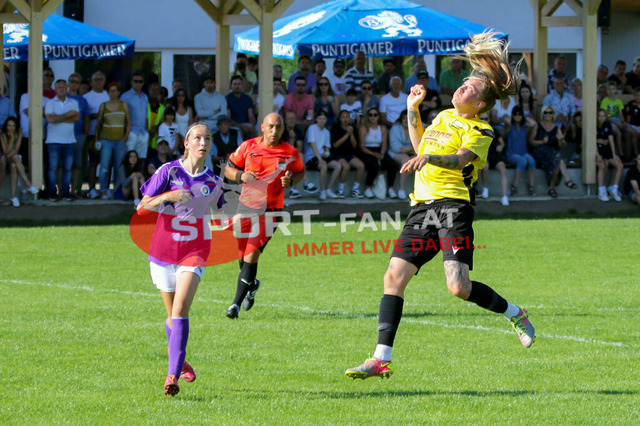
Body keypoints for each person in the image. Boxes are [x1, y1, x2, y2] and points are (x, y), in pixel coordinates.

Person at [345, 32, 535, 380]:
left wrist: (429, 158)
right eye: (463, 84)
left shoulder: (481, 130)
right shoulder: (445, 116)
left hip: (452, 208)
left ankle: (514, 313)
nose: (462, 88)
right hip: (421, 207)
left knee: (459, 288)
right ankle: (380, 359)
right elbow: (420, 145)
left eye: (470, 88)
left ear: (480, 103)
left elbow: (459, 160)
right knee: (393, 276)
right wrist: (412, 109)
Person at [137, 121, 224, 397]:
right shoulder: (168, 171)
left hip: (195, 251)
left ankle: (171, 376)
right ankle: (180, 359)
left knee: (180, 310)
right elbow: (141, 208)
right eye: (197, 138)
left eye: (207, 138)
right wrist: (169, 196)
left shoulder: (214, 182)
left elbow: (220, 217)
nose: (203, 142)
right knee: (172, 318)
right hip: (163, 251)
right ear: (186, 143)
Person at [224, 113, 305, 319]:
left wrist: (291, 181)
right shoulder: (248, 146)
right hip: (245, 208)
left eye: (278, 127)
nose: (274, 131)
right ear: (262, 127)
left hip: (271, 211)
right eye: (270, 126)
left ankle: (234, 306)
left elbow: (300, 172)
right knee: (242, 256)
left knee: (251, 254)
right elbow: (228, 169)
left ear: (283, 129)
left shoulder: (290, 152)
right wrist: (241, 175)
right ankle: (251, 285)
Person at [529, 106, 577, 197]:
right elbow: (530, 141)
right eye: (545, 112)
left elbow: (562, 145)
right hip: (539, 151)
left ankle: (552, 187)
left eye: (550, 112)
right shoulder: (537, 126)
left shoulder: (557, 129)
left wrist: (561, 140)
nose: (548, 114)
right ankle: (566, 180)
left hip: (552, 153)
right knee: (557, 159)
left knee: (557, 162)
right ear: (543, 114)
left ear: (553, 115)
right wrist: (542, 142)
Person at [45, 80, 80, 201]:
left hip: (69, 141)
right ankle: (52, 192)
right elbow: (50, 120)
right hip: (53, 141)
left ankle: (65, 192)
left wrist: (58, 117)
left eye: (63, 87)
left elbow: (76, 117)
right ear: (55, 89)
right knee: (53, 168)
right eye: (59, 87)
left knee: (67, 169)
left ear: (66, 89)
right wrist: (68, 114)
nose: (61, 89)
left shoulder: (74, 102)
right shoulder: (50, 103)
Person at [96, 82, 130, 199]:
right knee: (104, 167)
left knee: (118, 168)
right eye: (110, 90)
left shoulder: (123, 105)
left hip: (120, 141)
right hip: (106, 140)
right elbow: (99, 123)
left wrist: (125, 137)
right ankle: (103, 191)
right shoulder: (103, 105)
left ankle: (115, 191)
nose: (113, 93)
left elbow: (128, 121)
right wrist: (96, 139)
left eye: (115, 90)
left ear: (119, 92)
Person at [358, 106, 398, 199]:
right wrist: (373, 154)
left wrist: (382, 153)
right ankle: (368, 188)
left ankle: (390, 188)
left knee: (392, 165)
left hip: (379, 150)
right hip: (367, 151)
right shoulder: (363, 128)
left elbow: (384, 144)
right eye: (370, 115)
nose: (373, 117)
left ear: (378, 117)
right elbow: (362, 146)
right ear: (368, 116)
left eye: (375, 115)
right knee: (373, 165)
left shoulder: (383, 128)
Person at [0, 117, 39, 206]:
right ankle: (28, 184)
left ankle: (13, 196)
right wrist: (11, 139)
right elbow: (5, 151)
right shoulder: (2, 135)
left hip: (14, 156)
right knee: (14, 159)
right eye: (9, 125)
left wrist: (11, 155)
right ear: (6, 126)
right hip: (4, 157)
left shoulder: (19, 132)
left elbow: (16, 149)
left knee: (13, 165)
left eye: (13, 126)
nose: (11, 128)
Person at [303, 110, 341, 200]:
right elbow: (313, 144)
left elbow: (327, 147)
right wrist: (320, 159)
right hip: (311, 156)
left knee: (338, 166)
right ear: (316, 119)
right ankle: (322, 191)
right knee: (323, 165)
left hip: (321, 156)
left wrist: (327, 153)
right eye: (320, 118)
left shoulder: (327, 132)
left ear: (326, 120)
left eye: (324, 118)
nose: (322, 120)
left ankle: (328, 189)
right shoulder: (312, 128)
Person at [84, 71, 109, 199]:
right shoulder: (87, 97)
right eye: (96, 79)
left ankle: (105, 188)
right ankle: (92, 188)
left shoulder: (108, 95)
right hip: (92, 134)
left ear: (104, 81)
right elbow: (84, 116)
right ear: (91, 82)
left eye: (100, 79)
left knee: (106, 163)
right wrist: (96, 116)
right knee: (93, 162)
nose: (98, 82)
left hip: (107, 134)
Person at [331, 109, 365, 198]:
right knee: (346, 166)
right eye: (343, 117)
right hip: (337, 154)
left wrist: (351, 134)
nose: (345, 119)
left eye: (347, 117)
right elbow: (335, 145)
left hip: (349, 154)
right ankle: (340, 190)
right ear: (340, 118)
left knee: (361, 166)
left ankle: (355, 189)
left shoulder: (352, 128)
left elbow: (355, 145)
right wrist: (347, 134)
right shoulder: (335, 128)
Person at [67, 73, 90, 198]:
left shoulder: (82, 100)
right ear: (68, 82)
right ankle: (63, 190)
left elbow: (86, 119)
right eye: (72, 81)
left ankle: (74, 191)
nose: (74, 84)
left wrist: (85, 134)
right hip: (64, 137)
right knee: (64, 165)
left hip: (79, 136)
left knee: (77, 164)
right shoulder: (62, 97)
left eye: (77, 82)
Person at [506, 106, 537, 196]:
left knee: (532, 161)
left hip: (523, 152)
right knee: (523, 161)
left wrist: (524, 117)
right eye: (515, 114)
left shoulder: (524, 127)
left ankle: (531, 185)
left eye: (519, 114)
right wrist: (512, 117)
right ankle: (514, 186)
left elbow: (534, 123)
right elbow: (506, 120)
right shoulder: (510, 126)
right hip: (511, 154)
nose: (517, 116)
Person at [479, 118, 510, 206]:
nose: (485, 120)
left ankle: (504, 196)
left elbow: (502, 143)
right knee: (485, 166)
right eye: (482, 118)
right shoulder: (477, 131)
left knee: (503, 169)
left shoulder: (494, 130)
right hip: (483, 154)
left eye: (486, 118)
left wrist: (500, 146)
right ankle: (485, 190)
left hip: (494, 154)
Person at [595, 109, 623, 202]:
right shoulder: (594, 125)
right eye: (599, 116)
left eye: (603, 116)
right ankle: (601, 191)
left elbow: (611, 140)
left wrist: (614, 154)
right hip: (598, 150)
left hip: (606, 150)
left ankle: (613, 189)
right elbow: (592, 141)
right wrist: (597, 154)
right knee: (603, 164)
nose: (601, 118)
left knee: (619, 165)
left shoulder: (607, 125)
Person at [121, 72, 150, 162]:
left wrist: (146, 132)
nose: (138, 83)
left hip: (143, 132)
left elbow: (146, 116)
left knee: (141, 158)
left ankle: (140, 172)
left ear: (143, 83)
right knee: (129, 158)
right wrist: (125, 133)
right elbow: (122, 116)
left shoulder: (145, 97)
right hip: (131, 132)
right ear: (131, 82)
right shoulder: (125, 96)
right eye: (135, 81)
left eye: (140, 81)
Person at [388, 110, 414, 200]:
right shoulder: (395, 128)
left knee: (421, 160)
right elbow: (395, 148)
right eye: (404, 118)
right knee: (405, 159)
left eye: (408, 118)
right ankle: (401, 189)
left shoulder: (416, 127)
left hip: (411, 153)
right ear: (401, 119)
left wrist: (407, 149)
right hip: (395, 153)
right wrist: (411, 149)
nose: (406, 120)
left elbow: (419, 146)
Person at [601, 81, 632, 158]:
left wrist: (623, 122)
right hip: (609, 121)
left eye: (613, 89)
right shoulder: (605, 101)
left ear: (616, 90)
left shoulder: (619, 101)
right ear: (606, 91)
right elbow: (606, 116)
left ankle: (632, 155)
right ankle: (620, 154)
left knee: (633, 132)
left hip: (618, 121)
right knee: (618, 133)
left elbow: (621, 114)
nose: (611, 91)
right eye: (609, 89)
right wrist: (617, 124)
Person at [624, 88, 640, 158]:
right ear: (634, 95)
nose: (638, 97)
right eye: (636, 95)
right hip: (633, 125)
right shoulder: (630, 104)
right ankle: (632, 155)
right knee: (629, 134)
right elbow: (628, 119)